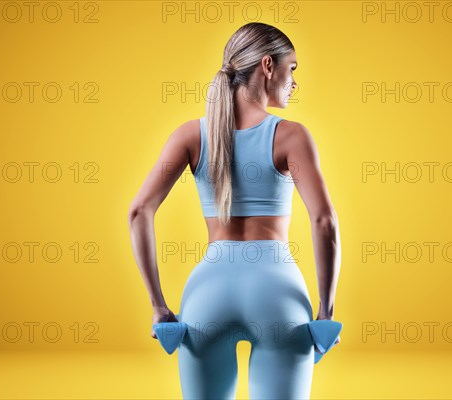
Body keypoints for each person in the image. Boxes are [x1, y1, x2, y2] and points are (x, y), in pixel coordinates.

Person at [128, 22, 341, 399]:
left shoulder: (190, 135)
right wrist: (326, 309)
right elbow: (323, 221)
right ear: (267, 65)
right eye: (292, 68)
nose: (294, 81)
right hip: (278, 295)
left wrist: (159, 306)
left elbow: (139, 211)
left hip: (207, 294)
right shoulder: (291, 135)